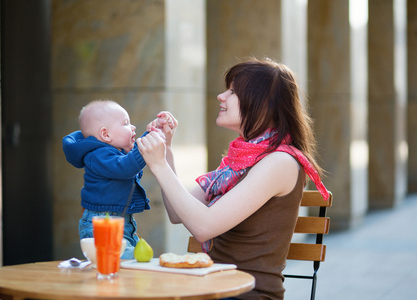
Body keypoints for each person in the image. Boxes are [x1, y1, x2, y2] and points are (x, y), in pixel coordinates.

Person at [138, 58, 329, 299]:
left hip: (248, 293)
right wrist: (166, 150)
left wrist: (159, 165)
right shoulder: (239, 161)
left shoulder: (280, 162)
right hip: (215, 286)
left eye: (233, 91)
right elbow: (178, 214)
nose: (221, 96)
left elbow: (203, 227)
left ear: (262, 104)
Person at [62, 100, 166, 259]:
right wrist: (146, 144)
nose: (133, 127)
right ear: (105, 134)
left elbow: (129, 165)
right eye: (125, 124)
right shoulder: (97, 155)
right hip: (100, 225)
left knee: (133, 262)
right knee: (128, 261)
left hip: (121, 224)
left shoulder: (113, 152)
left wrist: (152, 133)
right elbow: (126, 168)